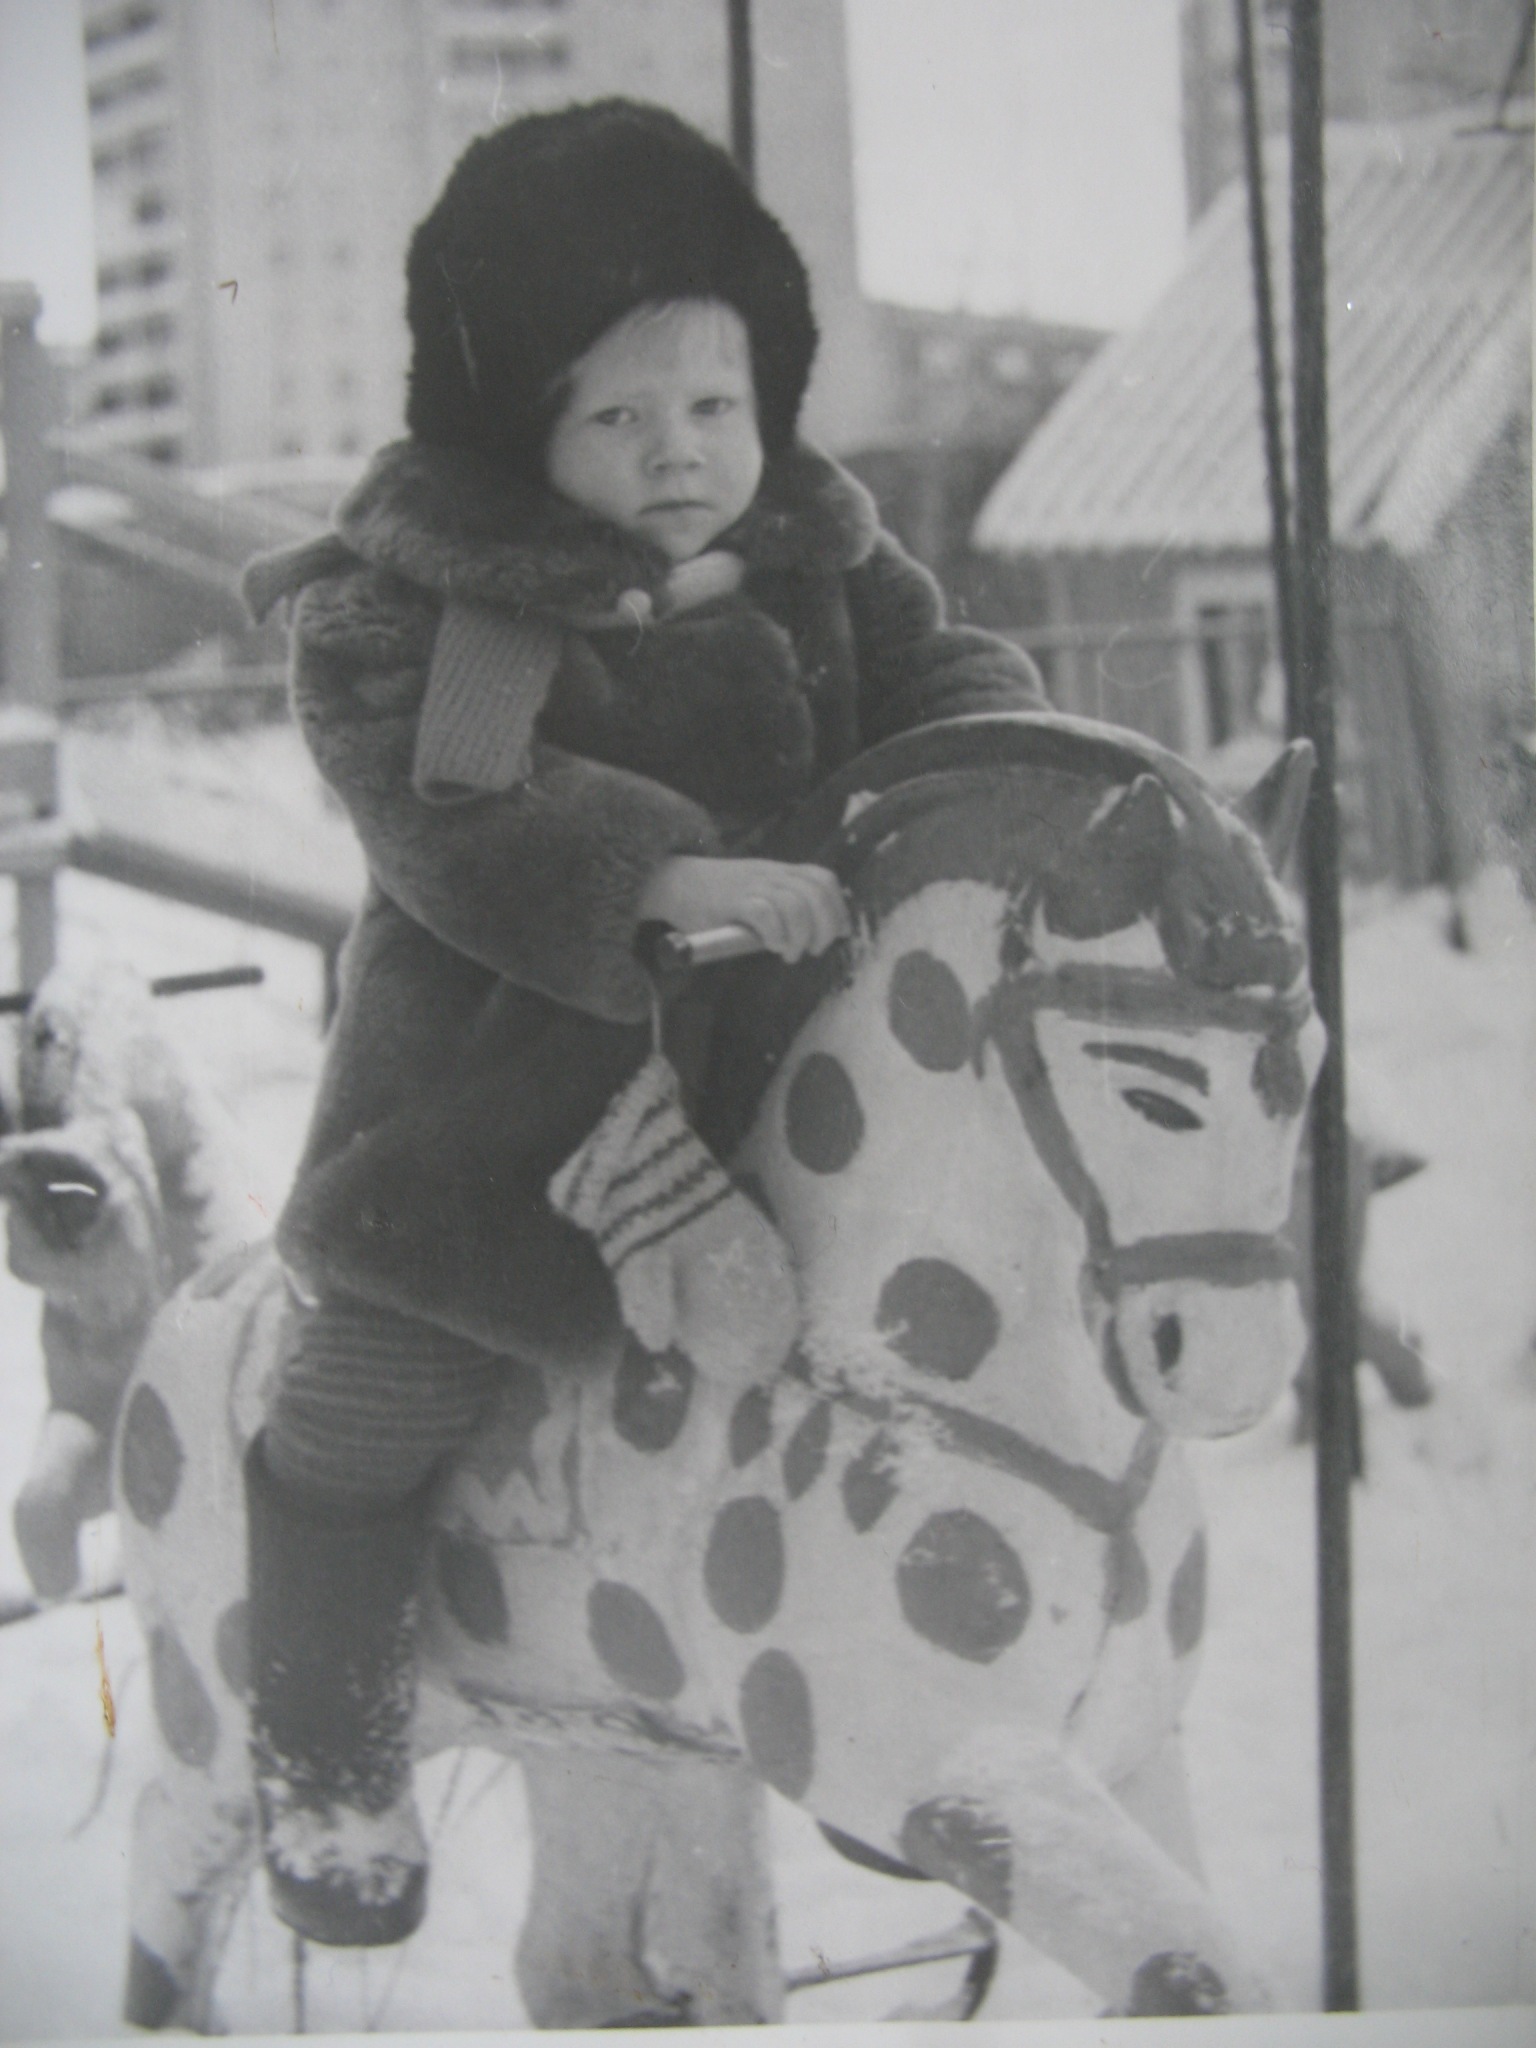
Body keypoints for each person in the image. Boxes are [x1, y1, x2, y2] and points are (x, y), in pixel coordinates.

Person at [241, 97, 1047, 1949]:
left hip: (779, 1076)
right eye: (615, 416)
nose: (679, 449)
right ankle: (326, 1757)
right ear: (518, 430)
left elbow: (945, 684)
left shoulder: (822, 561)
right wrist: (662, 877)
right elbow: (450, 813)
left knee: (907, 1352)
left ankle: (894, 1705)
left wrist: (1025, 767)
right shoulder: (439, 609)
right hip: (500, 1096)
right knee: (375, 1393)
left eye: (713, 402)